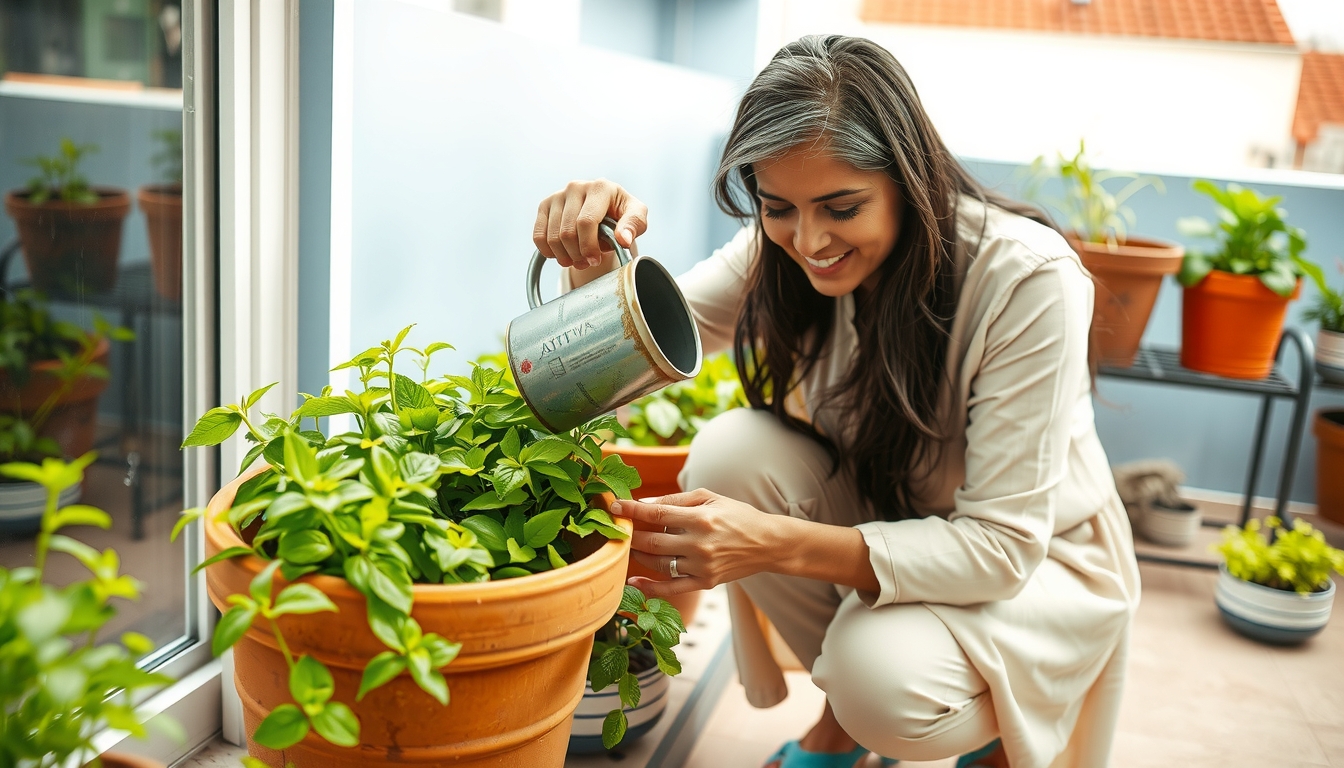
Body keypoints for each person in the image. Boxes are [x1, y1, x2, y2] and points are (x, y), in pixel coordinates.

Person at [533, 35, 1138, 768]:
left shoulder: (1028, 280)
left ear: (909, 180)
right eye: (777, 206)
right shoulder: (781, 246)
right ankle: (846, 720)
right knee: (729, 455)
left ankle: (994, 724)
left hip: (1039, 564)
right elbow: (638, 348)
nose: (809, 240)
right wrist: (597, 266)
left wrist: (769, 540)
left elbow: (1003, 547)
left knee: (877, 677)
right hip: (902, 515)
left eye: (842, 207)